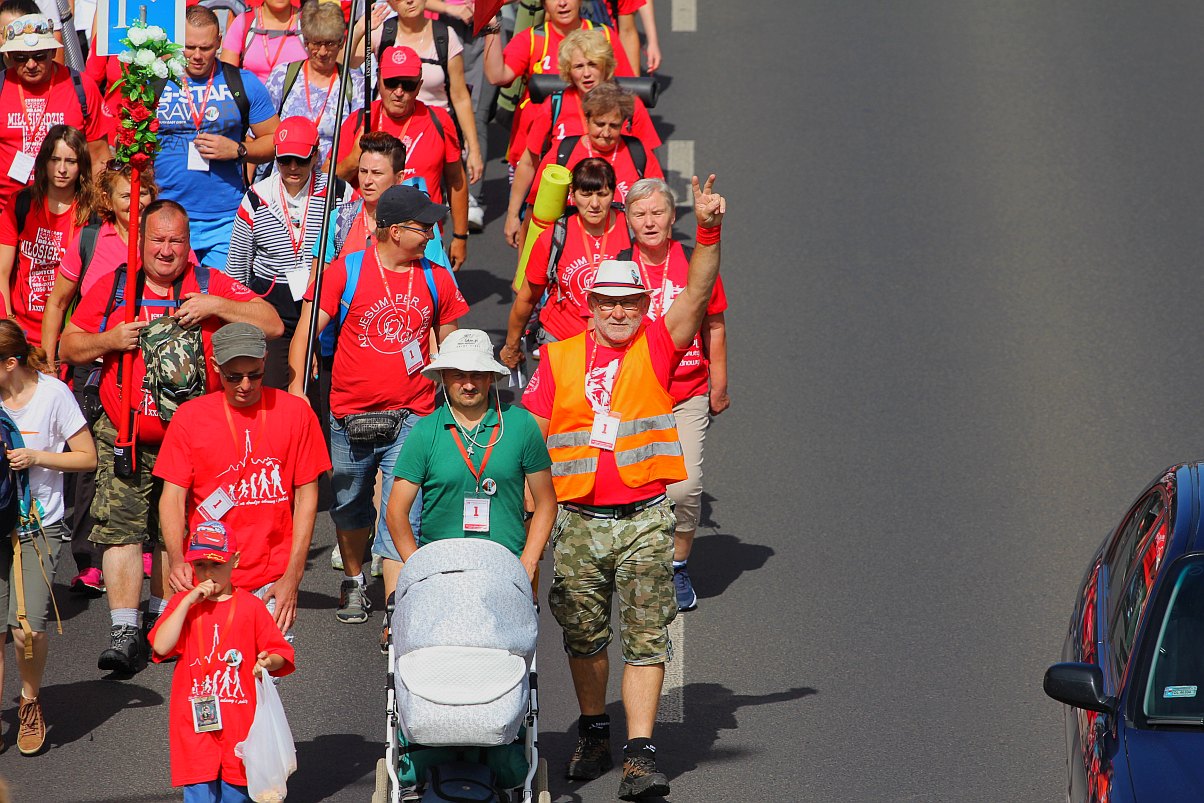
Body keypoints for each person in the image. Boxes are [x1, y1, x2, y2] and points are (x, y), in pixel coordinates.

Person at [520, 174, 724, 799]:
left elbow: (696, 291)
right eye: (606, 302)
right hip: (578, 521)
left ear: (641, 308)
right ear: (590, 305)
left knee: (645, 634)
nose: (616, 311)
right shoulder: (557, 362)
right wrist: (527, 533)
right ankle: (593, 729)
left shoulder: (657, 346)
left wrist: (710, 228)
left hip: (642, 518)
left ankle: (639, 752)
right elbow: (528, 449)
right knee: (583, 635)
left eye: (627, 303)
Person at [58, 199, 283, 675]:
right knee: (121, 527)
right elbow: (69, 344)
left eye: (175, 241)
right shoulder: (118, 283)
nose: (165, 249)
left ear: (188, 244)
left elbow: (273, 323)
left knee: (171, 530)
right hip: (125, 429)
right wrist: (110, 340)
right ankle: (123, 630)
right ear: (141, 241)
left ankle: (162, 621)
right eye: (157, 239)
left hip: (190, 436)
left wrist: (217, 306)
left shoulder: (207, 282)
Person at [287, 184, 468, 626]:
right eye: (421, 226)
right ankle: (353, 579)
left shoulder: (435, 277)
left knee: (401, 510)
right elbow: (305, 334)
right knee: (349, 507)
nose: (430, 233)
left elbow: (453, 346)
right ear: (390, 230)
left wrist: (460, 400)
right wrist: (296, 397)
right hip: (351, 416)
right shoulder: (343, 272)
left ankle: (396, 606)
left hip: (414, 413)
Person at [156, 322, 329, 641]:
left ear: (265, 361)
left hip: (272, 576)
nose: (245, 385)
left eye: (255, 374)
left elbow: (307, 496)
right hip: (208, 574)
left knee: (264, 681)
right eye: (233, 377)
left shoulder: (295, 413)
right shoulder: (190, 417)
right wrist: (177, 560)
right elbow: (172, 496)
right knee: (213, 680)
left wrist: (293, 574)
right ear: (215, 367)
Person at [386, 329, 556, 646]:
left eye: (477, 374)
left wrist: (528, 562)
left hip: (505, 572)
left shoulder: (521, 426)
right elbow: (396, 511)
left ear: (490, 377)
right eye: (458, 375)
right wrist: (419, 568)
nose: (468, 384)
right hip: (442, 574)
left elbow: (546, 503)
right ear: (443, 377)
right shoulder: (425, 431)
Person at [41, 160, 156, 597]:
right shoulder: (90, 239)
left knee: (142, 454)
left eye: (143, 193)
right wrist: (50, 363)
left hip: (144, 364)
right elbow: (58, 303)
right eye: (127, 195)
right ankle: (89, 560)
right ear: (109, 200)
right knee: (90, 467)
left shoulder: (161, 236)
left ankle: (140, 542)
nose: (137, 203)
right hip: (92, 363)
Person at [623, 177, 728, 611]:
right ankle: (635, 565)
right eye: (639, 214)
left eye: (657, 213)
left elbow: (714, 324)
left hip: (686, 392)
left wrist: (718, 382)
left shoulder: (693, 263)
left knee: (683, 489)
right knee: (634, 486)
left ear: (672, 218)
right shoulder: (617, 270)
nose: (649, 222)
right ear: (627, 221)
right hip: (633, 395)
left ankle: (678, 566)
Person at [0, 320, 95, 755]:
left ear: (10, 363)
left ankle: (30, 700)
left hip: (39, 524)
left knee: (27, 631)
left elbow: (88, 457)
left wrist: (37, 456)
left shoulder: (54, 395)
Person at [149, 520, 295, 802]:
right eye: (200, 564)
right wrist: (187, 600)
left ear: (235, 561)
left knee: (237, 794)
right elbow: (161, 644)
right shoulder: (184, 603)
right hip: (193, 723)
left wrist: (267, 661)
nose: (207, 573)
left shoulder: (251, 606)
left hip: (240, 723)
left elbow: (281, 653)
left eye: (216, 564)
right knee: (199, 794)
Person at [225, 116, 355, 388]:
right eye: (285, 160)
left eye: (302, 160)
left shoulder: (340, 194)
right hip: (273, 305)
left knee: (325, 394)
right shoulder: (255, 199)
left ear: (316, 155)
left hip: (324, 307)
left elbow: (352, 256)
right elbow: (237, 270)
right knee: (275, 392)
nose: (293, 168)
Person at [152, 5, 280, 270]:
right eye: (189, 47)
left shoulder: (242, 83)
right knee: (171, 304)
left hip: (224, 221)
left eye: (206, 48)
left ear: (219, 42)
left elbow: (275, 141)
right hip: (166, 218)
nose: (197, 56)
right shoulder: (156, 81)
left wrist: (238, 150)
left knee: (220, 303)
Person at [334, 45, 468, 270]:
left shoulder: (440, 121)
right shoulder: (360, 121)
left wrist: (461, 236)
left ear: (419, 86)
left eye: (407, 85)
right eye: (391, 82)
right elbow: (331, 181)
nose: (398, 91)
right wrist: (353, 159)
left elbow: (457, 181)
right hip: (366, 237)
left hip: (422, 240)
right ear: (379, 79)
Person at [500, 157, 629, 366]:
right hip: (563, 344)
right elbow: (527, 297)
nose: (594, 204)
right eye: (585, 194)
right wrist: (511, 346)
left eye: (602, 194)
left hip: (622, 348)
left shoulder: (632, 229)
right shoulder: (555, 236)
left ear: (614, 193)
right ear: (572, 194)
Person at [482, 0, 635, 172]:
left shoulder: (604, 36)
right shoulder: (533, 39)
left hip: (595, 154)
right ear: (544, 4)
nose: (562, 3)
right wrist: (492, 28)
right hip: (535, 156)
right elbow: (496, 76)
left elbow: (628, 93)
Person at [507, 81, 660, 246]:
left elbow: (660, 211)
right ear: (587, 119)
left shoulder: (638, 153)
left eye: (614, 126)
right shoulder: (563, 153)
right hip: (570, 251)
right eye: (600, 124)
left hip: (624, 255)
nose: (606, 133)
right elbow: (536, 214)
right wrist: (523, 268)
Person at [519, 29, 659, 182]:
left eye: (593, 64)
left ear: (605, 66)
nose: (586, 73)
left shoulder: (630, 105)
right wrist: (515, 207)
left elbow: (649, 164)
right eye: (579, 66)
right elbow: (528, 164)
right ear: (569, 71)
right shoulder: (554, 105)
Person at [0, 13, 108, 212]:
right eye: (21, 58)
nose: (31, 65)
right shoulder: (1, 87)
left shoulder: (82, 87)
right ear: (9, 56)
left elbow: (99, 155)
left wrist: (99, 209)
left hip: (67, 211)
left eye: (39, 56)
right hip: (6, 211)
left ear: (52, 51)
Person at [369, 0, 483, 187]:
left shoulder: (445, 36)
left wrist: (474, 149)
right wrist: (360, 30)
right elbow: (347, 63)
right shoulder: (381, 32)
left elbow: (460, 96)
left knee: (431, 201)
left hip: (432, 134)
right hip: (386, 131)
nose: (409, 1)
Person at [0, 124, 95, 348]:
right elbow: (2, 273)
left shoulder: (93, 214)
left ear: (81, 165)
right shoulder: (20, 204)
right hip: (20, 331)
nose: (61, 169)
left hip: (67, 333)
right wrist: (8, 324)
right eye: (55, 160)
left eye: (70, 162)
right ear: (44, 162)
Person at [264, 0, 364, 169]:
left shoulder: (355, 83)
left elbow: (358, 142)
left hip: (333, 178)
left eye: (330, 43)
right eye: (317, 43)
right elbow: (260, 133)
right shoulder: (282, 76)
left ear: (341, 42)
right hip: (286, 174)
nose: (323, 52)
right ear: (306, 41)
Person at [220, 0, 306, 85]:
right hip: (252, 97)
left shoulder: (307, 22)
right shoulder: (243, 22)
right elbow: (226, 77)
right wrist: (239, 95)